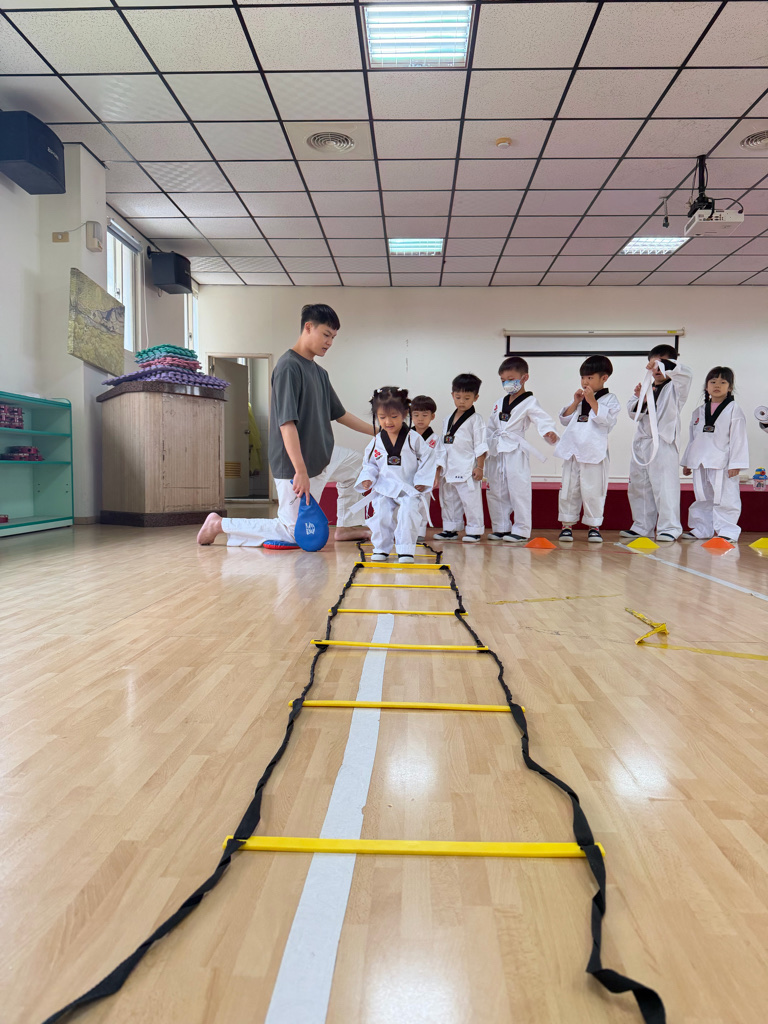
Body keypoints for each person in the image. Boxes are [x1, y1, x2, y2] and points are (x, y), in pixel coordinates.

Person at [197, 303, 374, 548]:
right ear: (308, 327)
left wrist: (379, 431)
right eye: (326, 334)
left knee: (358, 466)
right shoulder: (288, 366)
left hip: (323, 455)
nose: (329, 342)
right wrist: (300, 471)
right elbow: (286, 423)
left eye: (333, 337)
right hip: (295, 462)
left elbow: (340, 414)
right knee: (292, 533)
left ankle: (346, 527)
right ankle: (219, 524)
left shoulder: (320, 373)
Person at [620, 345, 693, 544]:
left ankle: (669, 528)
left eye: (661, 364)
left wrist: (664, 364)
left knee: (665, 487)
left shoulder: (677, 386)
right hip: (642, 443)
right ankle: (642, 526)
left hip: (663, 443)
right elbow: (633, 413)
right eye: (653, 364)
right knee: (639, 487)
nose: (657, 369)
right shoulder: (646, 387)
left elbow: (685, 373)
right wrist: (641, 399)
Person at [355, 387, 436, 563]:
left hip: (408, 486)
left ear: (405, 414)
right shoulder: (376, 441)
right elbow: (370, 464)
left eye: (393, 416)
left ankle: (405, 550)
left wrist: (422, 480)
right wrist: (368, 478)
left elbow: (428, 458)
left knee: (408, 513)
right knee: (380, 514)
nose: (388, 422)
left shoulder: (413, 438)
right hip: (384, 487)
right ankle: (381, 548)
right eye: (382, 417)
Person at [485, 356, 559, 544]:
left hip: (516, 450)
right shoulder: (499, 402)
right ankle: (501, 527)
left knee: (519, 490)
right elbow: (491, 426)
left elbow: (542, 419)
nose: (506, 384)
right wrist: (485, 444)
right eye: (503, 380)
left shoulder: (530, 402)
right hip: (497, 450)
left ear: (524, 378)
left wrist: (548, 432)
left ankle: (521, 529)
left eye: (511, 379)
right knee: (496, 490)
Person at [554, 355, 621, 544]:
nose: (585, 382)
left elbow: (607, 421)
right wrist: (576, 402)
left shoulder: (610, 399)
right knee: (569, 489)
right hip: (573, 451)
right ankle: (567, 526)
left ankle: (594, 527)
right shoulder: (580, 397)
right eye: (583, 377)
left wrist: (592, 401)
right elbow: (564, 419)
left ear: (604, 378)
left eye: (590, 378)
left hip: (594, 453)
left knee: (593, 491)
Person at [680, 366, 749, 542]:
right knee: (702, 497)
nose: (717, 385)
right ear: (706, 386)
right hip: (700, 461)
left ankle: (728, 531)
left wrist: (736, 464)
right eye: (713, 382)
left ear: (730, 387)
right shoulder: (699, 411)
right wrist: (687, 461)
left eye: (723, 382)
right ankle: (702, 529)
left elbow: (738, 438)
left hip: (722, 462)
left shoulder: (733, 409)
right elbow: (693, 438)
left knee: (726, 498)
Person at [433, 373, 488, 543]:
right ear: (452, 396)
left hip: (467, 468)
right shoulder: (447, 419)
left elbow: (481, 445)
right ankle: (450, 529)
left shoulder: (476, 420)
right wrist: (439, 468)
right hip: (449, 467)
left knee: (471, 502)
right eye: (458, 397)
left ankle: (474, 530)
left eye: (467, 398)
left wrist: (479, 467)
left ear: (475, 398)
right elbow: (443, 445)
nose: (462, 401)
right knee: (449, 500)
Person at [410, 394, 439, 542]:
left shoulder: (435, 439)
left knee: (422, 503)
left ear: (432, 416)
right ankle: (403, 530)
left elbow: (439, 459)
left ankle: (420, 531)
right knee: (405, 503)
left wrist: (435, 475)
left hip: (425, 476)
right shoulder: (406, 436)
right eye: (416, 415)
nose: (420, 419)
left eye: (424, 415)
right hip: (407, 475)